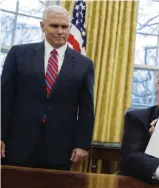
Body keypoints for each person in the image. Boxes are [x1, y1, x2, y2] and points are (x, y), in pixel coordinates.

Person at [1, 5, 94, 170]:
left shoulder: (84, 64)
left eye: (64, 27)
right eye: (54, 26)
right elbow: (4, 98)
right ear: (42, 26)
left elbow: (87, 109)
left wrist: (83, 144)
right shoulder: (18, 54)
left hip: (60, 148)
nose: (60, 31)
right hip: (17, 144)